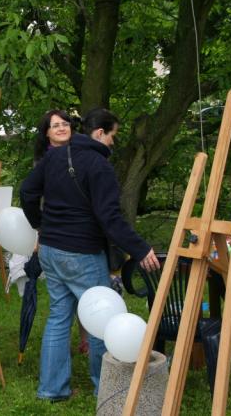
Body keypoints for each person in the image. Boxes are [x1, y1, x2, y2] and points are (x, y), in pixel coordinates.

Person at [20, 108, 160, 401]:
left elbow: (27, 192)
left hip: (50, 250)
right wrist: (141, 248)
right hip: (81, 253)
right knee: (101, 318)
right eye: (112, 136)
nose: (113, 142)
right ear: (99, 133)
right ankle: (104, 387)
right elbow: (110, 218)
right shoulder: (99, 165)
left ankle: (51, 390)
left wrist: (41, 225)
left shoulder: (55, 156)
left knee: (59, 317)